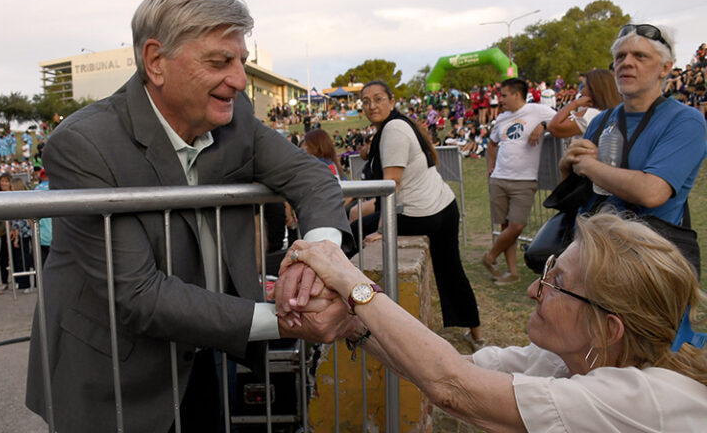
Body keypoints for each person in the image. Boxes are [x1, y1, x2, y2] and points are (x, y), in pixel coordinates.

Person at [25, 0, 356, 432]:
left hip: (207, 355)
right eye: (219, 62)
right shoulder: (83, 144)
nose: (239, 80)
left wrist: (317, 255)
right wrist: (289, 321)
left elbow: (311, 177)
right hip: (114, 375)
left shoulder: (235, 117)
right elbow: (140, 295)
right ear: (156, 62)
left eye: (241, 62)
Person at [277, 212, 707, 432]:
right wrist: (352, 324)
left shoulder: (644, 400)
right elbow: (447, 368)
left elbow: (453, 387)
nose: (534, 290)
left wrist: (350, 282)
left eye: (556, 283)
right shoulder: (563, 360)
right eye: (548, 271)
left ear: (608, 329)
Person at [357, 80, 485, 348]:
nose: (372, 106)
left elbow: (390, 185)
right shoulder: (398, 125)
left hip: (421, 214)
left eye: (378, 99)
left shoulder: (393, 130)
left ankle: (365, 318)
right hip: (444, 206)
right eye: (366, 101)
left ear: (392, 101)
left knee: (355, 230)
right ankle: (477, 334)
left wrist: (382, 230)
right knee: (452, 270)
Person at [560, 24, 707, 226]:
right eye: (620, 56)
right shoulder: (601, 120)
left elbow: (652, 192)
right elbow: (575, 195)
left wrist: (588, 165)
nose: (626, 63)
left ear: (665, 68)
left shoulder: (685, 120)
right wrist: (566, 166)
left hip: (645, 243)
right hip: (588, 240)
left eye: (640, 56)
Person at [482, 78, 556, 285]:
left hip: (525, 180)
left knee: (516, 226)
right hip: (499, 178)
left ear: (517, 94)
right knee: (506, 226)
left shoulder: (538, 110)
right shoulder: (501, 118)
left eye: (504, 95)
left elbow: (563, 119)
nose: (500, 100)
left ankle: (490, 256)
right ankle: (512, 272)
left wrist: (543, 125)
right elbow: (492, 143)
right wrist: (491, 166)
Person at [547, 69, 621, 138]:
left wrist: (575, 103)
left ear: (594, 90)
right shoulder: (617, 113)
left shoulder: (591, 115)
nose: (581, 91)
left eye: (584, 87)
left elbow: (553, 127)